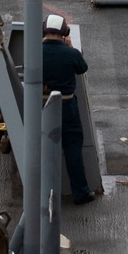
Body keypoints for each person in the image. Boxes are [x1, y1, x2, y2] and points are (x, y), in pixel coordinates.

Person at [41, 12, 94, 205]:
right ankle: (80, 192)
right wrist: (71, 48)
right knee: (73, 149)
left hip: (42, 106)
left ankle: (42, 194)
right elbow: (82, 68)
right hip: (67, 105)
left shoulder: (35, 51)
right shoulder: (70, 54)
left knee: (42, 149)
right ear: (64, 32)